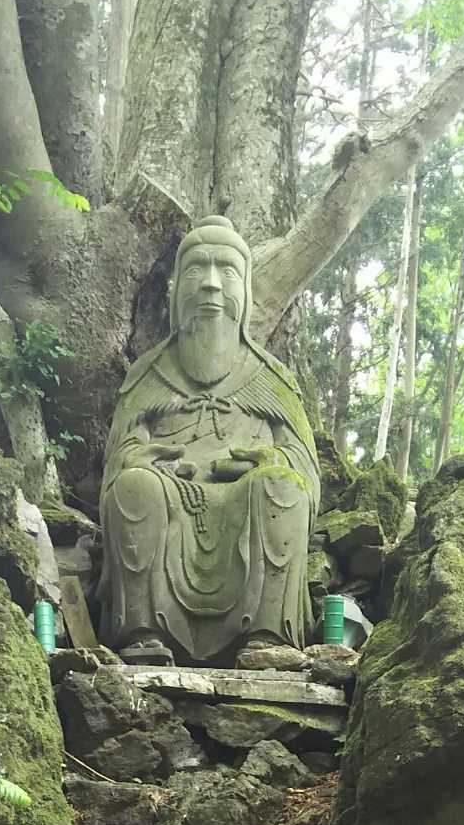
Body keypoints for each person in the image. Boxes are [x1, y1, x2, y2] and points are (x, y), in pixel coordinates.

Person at [99, 214, 320, 667]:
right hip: (170, 495)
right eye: (197, 269)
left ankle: (266, 637)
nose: (211, 285)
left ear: (246, 291)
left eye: (227, 271)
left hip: (246, 499)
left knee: (282, 488)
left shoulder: (271, 378)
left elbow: (303, 464)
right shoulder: (148, 374)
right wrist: (145, 459)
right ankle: (143, 632)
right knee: (133, 488)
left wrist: (269, 459)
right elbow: (121, 453)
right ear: (176, 290)